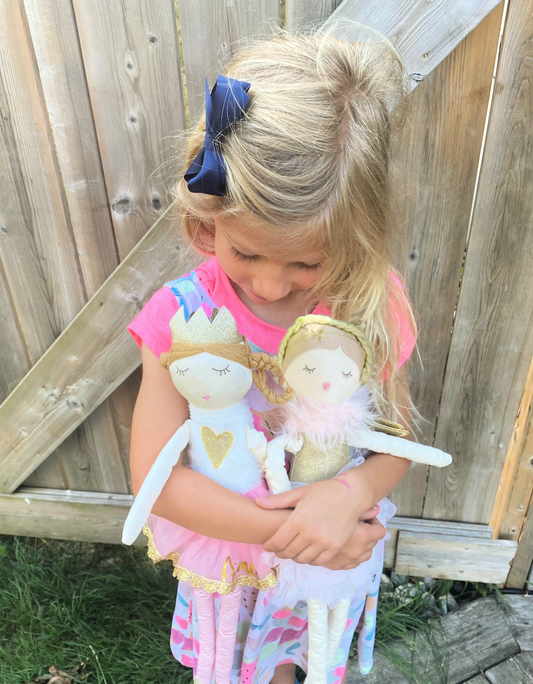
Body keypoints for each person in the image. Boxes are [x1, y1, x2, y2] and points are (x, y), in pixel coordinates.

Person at [127, 24, 417, 684]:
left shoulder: (373, 306)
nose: (268, 284)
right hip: (229, 550)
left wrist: (350, 495)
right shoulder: (180, 318)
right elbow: (156, 479)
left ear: (356, 235)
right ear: (207, 218)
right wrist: (297, 530)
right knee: (231, 669)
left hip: (327, 547)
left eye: (306, 263)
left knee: (299, 661)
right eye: (245, 252)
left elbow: (395, 436)